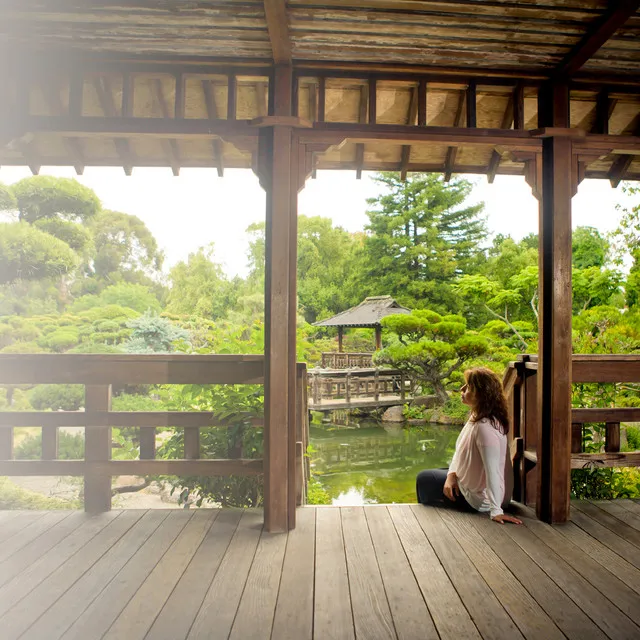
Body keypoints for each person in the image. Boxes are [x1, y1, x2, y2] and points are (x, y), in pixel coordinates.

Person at [416, 367, 522, 525]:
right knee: (436, 473)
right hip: (468, 483)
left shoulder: (485, 428)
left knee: (423, 479)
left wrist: (496, 510)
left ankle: (431, 523)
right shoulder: (478, 416)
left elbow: (493, 471)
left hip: (477, 499)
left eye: (468, 387)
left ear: (481, 394)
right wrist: (451, 475)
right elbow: (460, 453)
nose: (462, 389)